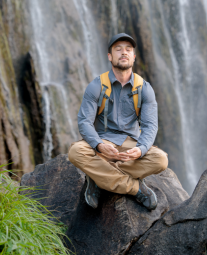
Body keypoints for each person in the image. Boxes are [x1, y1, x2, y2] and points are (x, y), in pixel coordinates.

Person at [68, 33, 168, 210]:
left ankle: (98, 177)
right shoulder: (96, 85)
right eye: (118, 49)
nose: (124, 53)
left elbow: (150, 126)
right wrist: (98, 145)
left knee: (161, 160)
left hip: (130, 145)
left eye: (128, 49)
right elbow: (84, 121)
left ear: (134, 57)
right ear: (109, 56)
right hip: (103, 144)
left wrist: (140, 149)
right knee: (76, 152)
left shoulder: (145, 88)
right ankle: (136, 188)